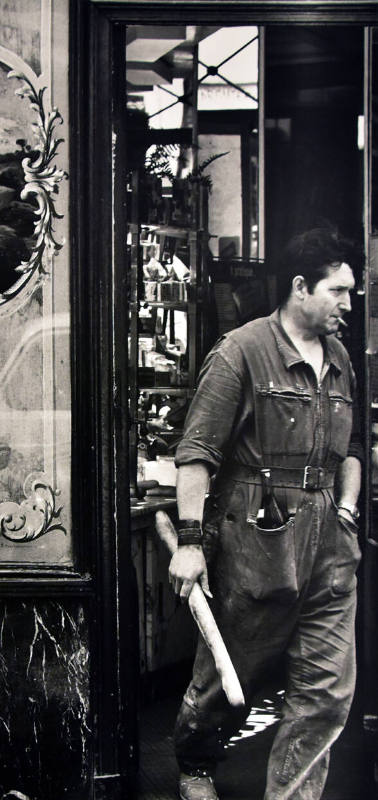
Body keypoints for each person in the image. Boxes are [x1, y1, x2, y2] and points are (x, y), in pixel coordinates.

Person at [169, 227, 364, 800]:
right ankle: (196, 763)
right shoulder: (242, 351)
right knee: (230, 676)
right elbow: (196, 454)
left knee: (325, 691)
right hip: (259, 541)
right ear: (300, 288)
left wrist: (347, 510)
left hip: (330, 545)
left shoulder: (342, 359)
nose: (349, 304)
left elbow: (351, 449)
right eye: (339, 291)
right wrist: (189, 541)